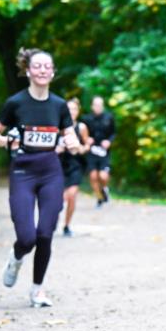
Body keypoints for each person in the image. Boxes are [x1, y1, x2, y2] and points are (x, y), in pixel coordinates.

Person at [0, 47, 80, 307]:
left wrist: (72, 142)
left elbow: (68, 132)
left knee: (46, 233)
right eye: (37, 66)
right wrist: (6, 141)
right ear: (28, 71)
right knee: (27, 237)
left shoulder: (60, 105)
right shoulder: (16, 103)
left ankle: (37, 290)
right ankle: (16, 257)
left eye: (47, 66)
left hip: (51, 172)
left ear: (53, 72)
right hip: (23, 172)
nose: (42, 70)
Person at [58, 98, 89, 236]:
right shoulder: (58, 127)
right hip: (58, 165)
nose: (72, 112)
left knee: (72, 195)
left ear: (78, 111)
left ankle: (67, 225)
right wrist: (56, 148)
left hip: (75, 165)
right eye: (69, 109)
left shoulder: (81, 127)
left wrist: (81, 148)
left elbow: (87, 145)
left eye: (74, 109)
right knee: (60, 199)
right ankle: (53, 220)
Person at [83, 95, 116, 208]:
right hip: (91, 150)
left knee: (103, 176)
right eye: (96, 105)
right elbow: (82, 134)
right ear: (92, 106)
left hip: (104, 151)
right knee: (93, 176)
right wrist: (87, 139)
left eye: (100, 105)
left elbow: (113, 133)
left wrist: (109, 141)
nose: (98, 107)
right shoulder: (86, 119)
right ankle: (99, 198)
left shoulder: (109, 117)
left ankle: (104, 189)